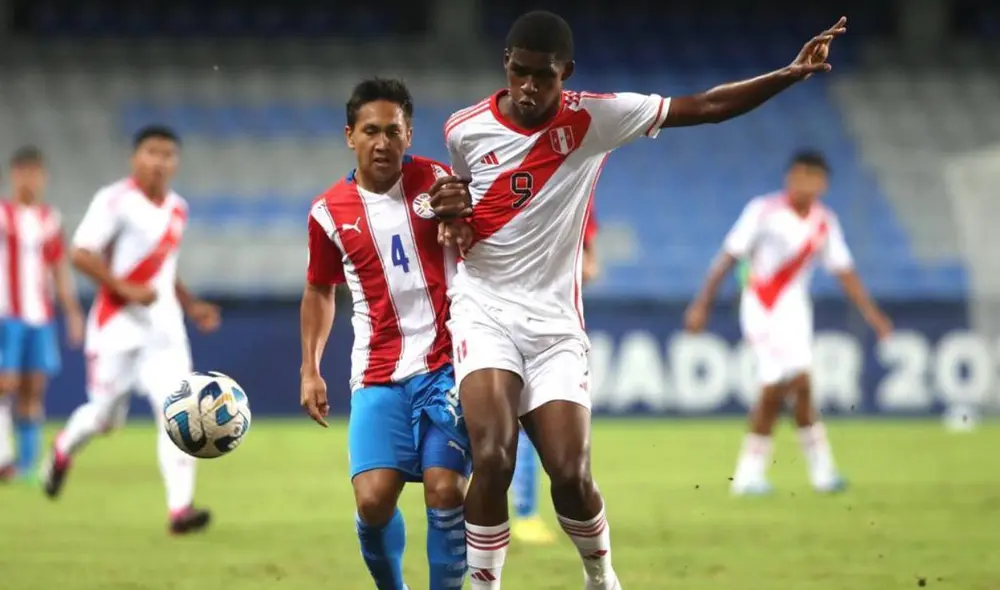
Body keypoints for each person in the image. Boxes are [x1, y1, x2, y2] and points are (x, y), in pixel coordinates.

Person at [432, 10, 848, 588]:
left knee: (570, 474)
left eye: (542, 77)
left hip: (555, 324)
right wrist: (449, 214)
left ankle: (600, 577)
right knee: (495, 456)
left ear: (566, 73)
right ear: (506, 64)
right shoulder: (463, 129)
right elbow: (460, 209)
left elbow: (701, 106)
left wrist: (787, 74)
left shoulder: (596, 118)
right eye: (519, 73)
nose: (527, 88)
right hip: (483, 310)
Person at [299, 78, 473, 590]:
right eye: (370, 131)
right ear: (349, 135)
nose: (382, 142)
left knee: (445, 490)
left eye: (393, 132)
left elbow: (478, 243)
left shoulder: (441, 182)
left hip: (447, 365)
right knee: (373, 501)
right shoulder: (328, 212)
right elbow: (320, 290)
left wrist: (464, 218)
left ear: (409, 134)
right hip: (377, 372)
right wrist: (310, 366)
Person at [39, 125, 221, 535]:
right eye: (151, 152)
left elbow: (165, 269)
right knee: (105, 419)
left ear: (176, 162)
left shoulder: (178, 208)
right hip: (116, 330)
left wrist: (191, 305)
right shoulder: (115, 201)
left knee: (180, 414)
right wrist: (124, 288)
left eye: (167, 154)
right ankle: (63, 447)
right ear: (134, 157)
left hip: (166, 333)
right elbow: (80, 253)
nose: (159, 161)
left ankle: (180, 510)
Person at [685, 150, 891, 495]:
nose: (801, 183)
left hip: (796, 312)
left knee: (803, 386)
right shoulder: (763, 211)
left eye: (810, 177)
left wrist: (874, 315)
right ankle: (749, 473)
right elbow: (728, 257)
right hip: (762, 307)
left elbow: (844, 271)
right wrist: (701, 304)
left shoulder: (824, 222)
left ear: (822, 183)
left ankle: (822, 474)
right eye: (796, 175)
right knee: (777, 383)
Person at [511, 200, 598, 545]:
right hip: (493, 321)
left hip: (549, 326)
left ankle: (525, 514)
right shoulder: (500, 184)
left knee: (527, 428)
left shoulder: (577, 195)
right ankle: (519, 516)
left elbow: (591, 266)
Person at [0, 147, 84, 482]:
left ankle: (28, 466)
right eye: (25, 173)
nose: (31, 180)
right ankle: (4, 456)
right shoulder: (3, 213)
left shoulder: (50, 218)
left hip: (41, 316)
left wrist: (73, 311)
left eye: (37, 173)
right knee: (5, 383)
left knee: (33, 388)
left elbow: (59, 268)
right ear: (14, 175)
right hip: (7, 314)